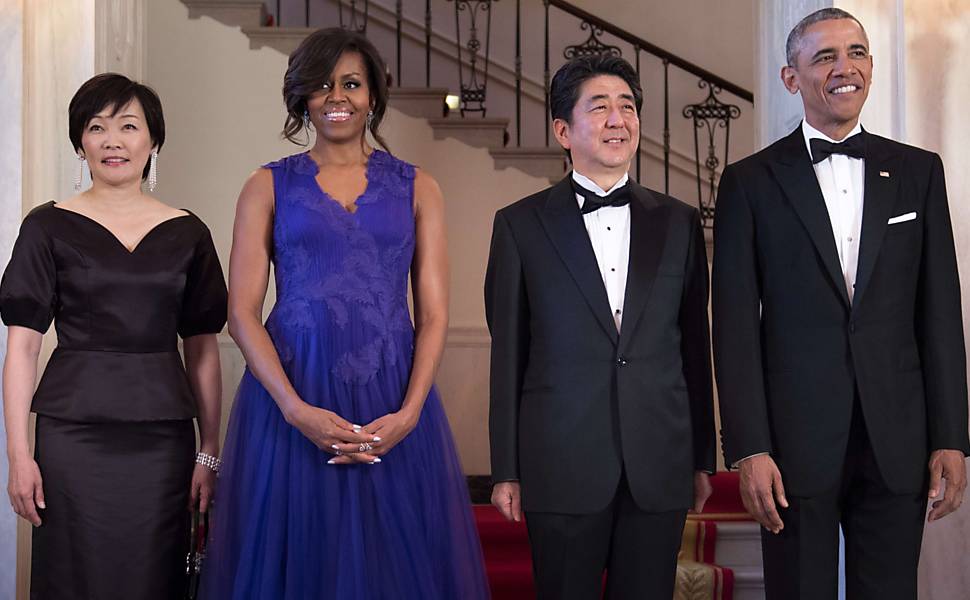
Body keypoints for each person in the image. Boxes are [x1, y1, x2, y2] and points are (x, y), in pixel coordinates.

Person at [198, 28, 490, 599]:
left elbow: (434, 315)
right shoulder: (266, 185)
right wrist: (294, 409)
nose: (337, 97)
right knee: (295, 559)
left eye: (351, 83)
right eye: (322, 84)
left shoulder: (419, 187)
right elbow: (242, 312)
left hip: (392, 396)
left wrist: (409, 414)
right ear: (302, 98)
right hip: (290, 395)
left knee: (392, 566)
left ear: (373, 95)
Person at [712, 8, 969, 600]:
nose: (844, 68)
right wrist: (749, 446)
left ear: (872, 67)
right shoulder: (749, 182)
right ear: (791, 77)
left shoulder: (919, 172)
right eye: (824, 56)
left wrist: (951, 436)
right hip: (792, 445)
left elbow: (939, 316)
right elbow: (734, 327)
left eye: (855, 53)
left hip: (898, 439)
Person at [485, 53, 716, 600]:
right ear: (563, 131)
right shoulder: (520, 225)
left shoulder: (679, 221)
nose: (618, 119)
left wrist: (702, 457)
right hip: (559, 461)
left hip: (658, 462)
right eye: (600, 107)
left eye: (627, 106)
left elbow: (694, 348)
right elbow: (509, 354)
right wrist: (506, 468)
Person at [0, 73, 228, 599]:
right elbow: (23, 348)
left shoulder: (188, 232)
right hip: (71, 436)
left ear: (153, 140)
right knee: (73, 573)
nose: (112, 141)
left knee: (153, 575)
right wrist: (18, 454)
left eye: (128, 126)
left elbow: (202, 349)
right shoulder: (47, 226)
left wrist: (210, 451)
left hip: (162, 438)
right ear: (80, 142)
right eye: (96, 127)